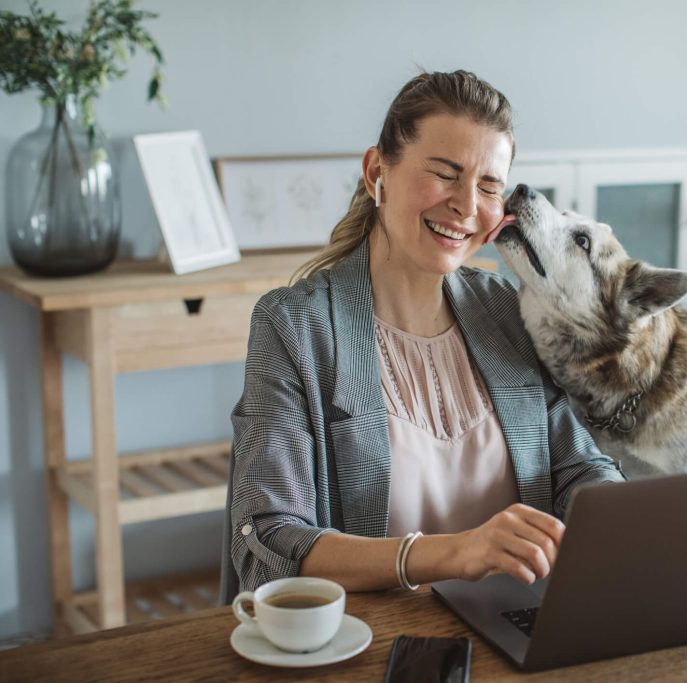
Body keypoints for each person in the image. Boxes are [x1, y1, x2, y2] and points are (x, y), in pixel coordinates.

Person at [221, 70, 625, 602]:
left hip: (518, 626)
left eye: (489, 187)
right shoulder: (295, 327)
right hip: (373, 637)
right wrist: (453, 553)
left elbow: (579, 468)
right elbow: (270, 542)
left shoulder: (506, 310)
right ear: (377, 172)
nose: (467, 205)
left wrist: (621, 513)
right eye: (444, 174)